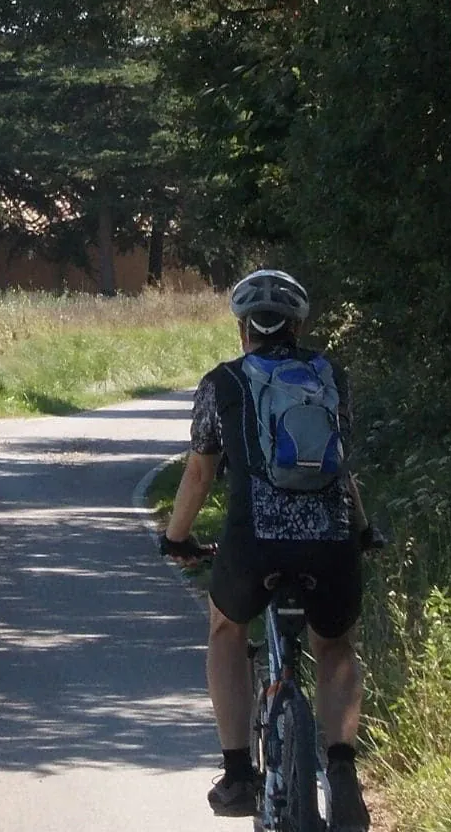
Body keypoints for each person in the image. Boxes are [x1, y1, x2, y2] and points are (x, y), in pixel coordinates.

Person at [159, 269, 372, 830]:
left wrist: (176, 537)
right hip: (331, 537)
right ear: (298, 326)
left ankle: (236, 773)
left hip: (255, 540)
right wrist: (363, 529)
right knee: (335, 646)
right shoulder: (331, 377)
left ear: (242, 328)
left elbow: (201, 470)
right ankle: (343, 772)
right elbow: (339, 465)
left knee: (227, 629)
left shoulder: (223, 383)